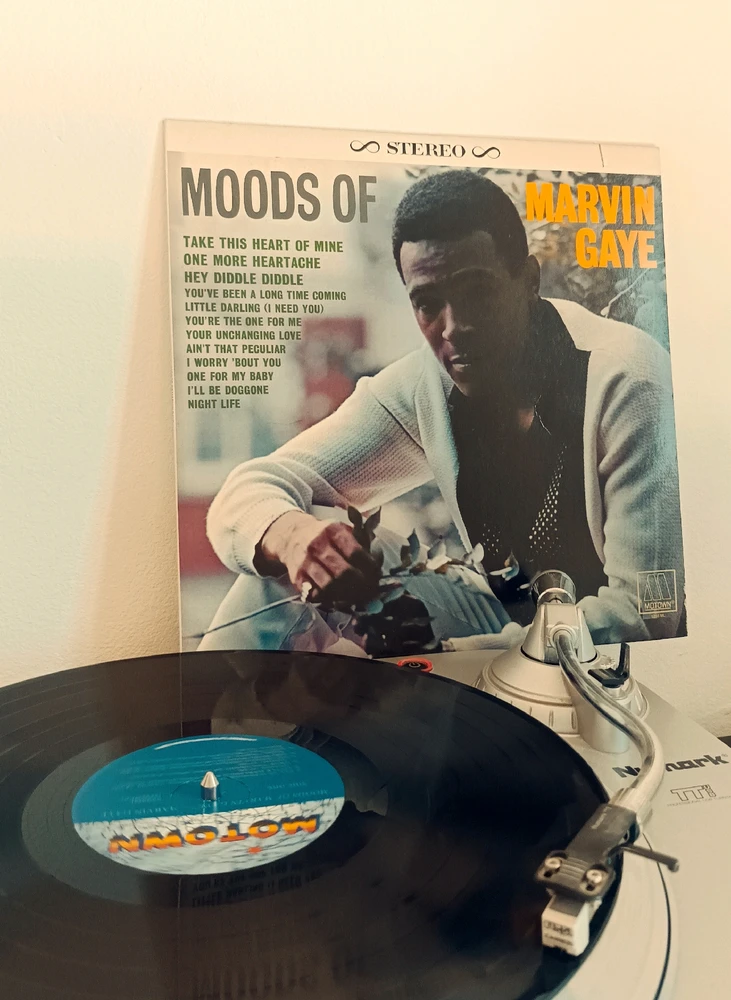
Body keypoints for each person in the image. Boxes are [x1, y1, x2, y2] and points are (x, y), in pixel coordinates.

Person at [201, 169, 684, 653]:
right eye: (428, 303)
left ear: (529, 281)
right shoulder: (427, 384)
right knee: (293, 562)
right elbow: (251, 488)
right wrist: (293, 538)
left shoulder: (628, 380)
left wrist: (452, 662)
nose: (455, 327)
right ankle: (211, 703)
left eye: (478, 292)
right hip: (499, 620)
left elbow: (646, 615)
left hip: (601, 659)